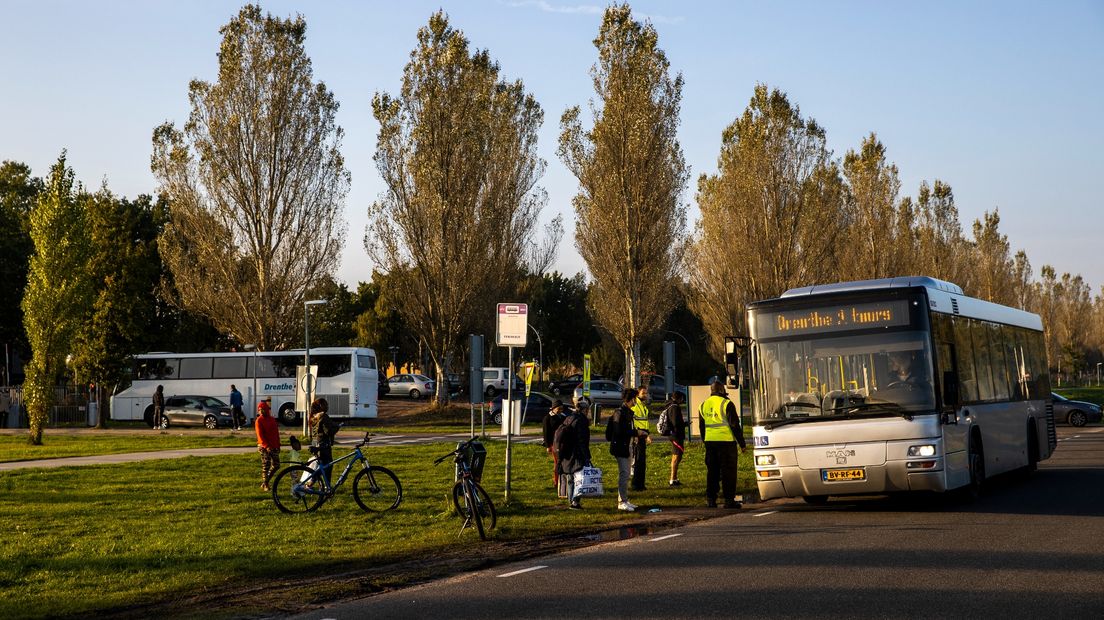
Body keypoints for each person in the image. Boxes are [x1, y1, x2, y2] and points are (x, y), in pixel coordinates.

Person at [698, 381, 747, 508]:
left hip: (710, 443)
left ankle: (711, 499)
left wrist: (705, 441)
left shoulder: (703, 405)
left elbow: (702, 427)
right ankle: (729, 500)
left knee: (712, 472)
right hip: (726, 443)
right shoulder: (727, 404)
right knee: (728, 472)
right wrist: (742, 443)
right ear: (721, 390)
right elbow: (735, 425)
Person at [610, 388, 645, 511]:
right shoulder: (620, 413)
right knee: (624, 474)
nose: (637, 400)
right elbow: (619, 431)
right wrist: (636, 433)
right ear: (631, 399)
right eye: (635, 398)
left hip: (627, 446)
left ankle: (625, 499)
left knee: (626, 474)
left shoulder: (628, 412)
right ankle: (621, 502)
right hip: (621, 447)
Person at [555, 399, 591, 510]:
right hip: (576, 453)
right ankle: (575, 502)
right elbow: (582, 440)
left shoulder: (569, 418)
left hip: (566, 453)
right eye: (587, 410)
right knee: (579, 479)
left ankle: (571, 501)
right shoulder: (581, 421)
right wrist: (586, 456)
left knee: (570, 478)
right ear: (585, 410)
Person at [309, 397, 340, 485]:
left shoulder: (314, 416)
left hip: (315, 443)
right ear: (321, 406)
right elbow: (328, 431)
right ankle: (325, 486)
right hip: (323, 444)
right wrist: (337, 428)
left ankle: (313, 483)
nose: (328, 406)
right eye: (326, 405)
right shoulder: (323, 416)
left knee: (322, 466)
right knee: (328, 466)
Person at [255, 396, 280, 491]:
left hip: (273, 446)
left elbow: (276, 433)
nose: (261, 411)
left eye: (262, 409)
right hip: (263, 446)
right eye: (259, 410)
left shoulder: (272, 419)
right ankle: (266, 484)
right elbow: (260, 435)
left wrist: (278, 445)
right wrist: (266, 446)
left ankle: (265, 482)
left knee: (277, 465)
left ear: (266, 409)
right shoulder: (259, 421)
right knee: (266, 464)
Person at [543, 399, 568, 492]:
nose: (560, 410)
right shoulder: (547, 418)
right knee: (557, 463)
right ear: (553, 408)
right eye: (559, 408)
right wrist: (548, 446)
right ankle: (556, 481)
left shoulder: (563, 416)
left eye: (562, 408)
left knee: (563, 462)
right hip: (554, 444)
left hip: (563, 443)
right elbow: (546, 433)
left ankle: (563, 480)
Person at [630, 385, 651, 491]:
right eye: (643, 393)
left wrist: (648, 434)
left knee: (641, 462)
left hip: (643, 435)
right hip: (638, 437)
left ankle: (640, 484)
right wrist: (636, 436)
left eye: (646, 393)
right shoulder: (635, 405)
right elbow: (633, 422)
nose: (645, 395)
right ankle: (637, 485)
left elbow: (644, 422)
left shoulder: (642, 405)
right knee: (638, 461)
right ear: (638, 394)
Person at [664, 392, 687, 486]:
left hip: (675, 435)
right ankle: (672, 479)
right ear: (680, 398)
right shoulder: (674, 407)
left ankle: (674, 478)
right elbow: (675, 423)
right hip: (676, 436)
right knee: (676, 457)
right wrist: (683, 424)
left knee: (677, 456)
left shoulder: (671, 406)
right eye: (682, 399)